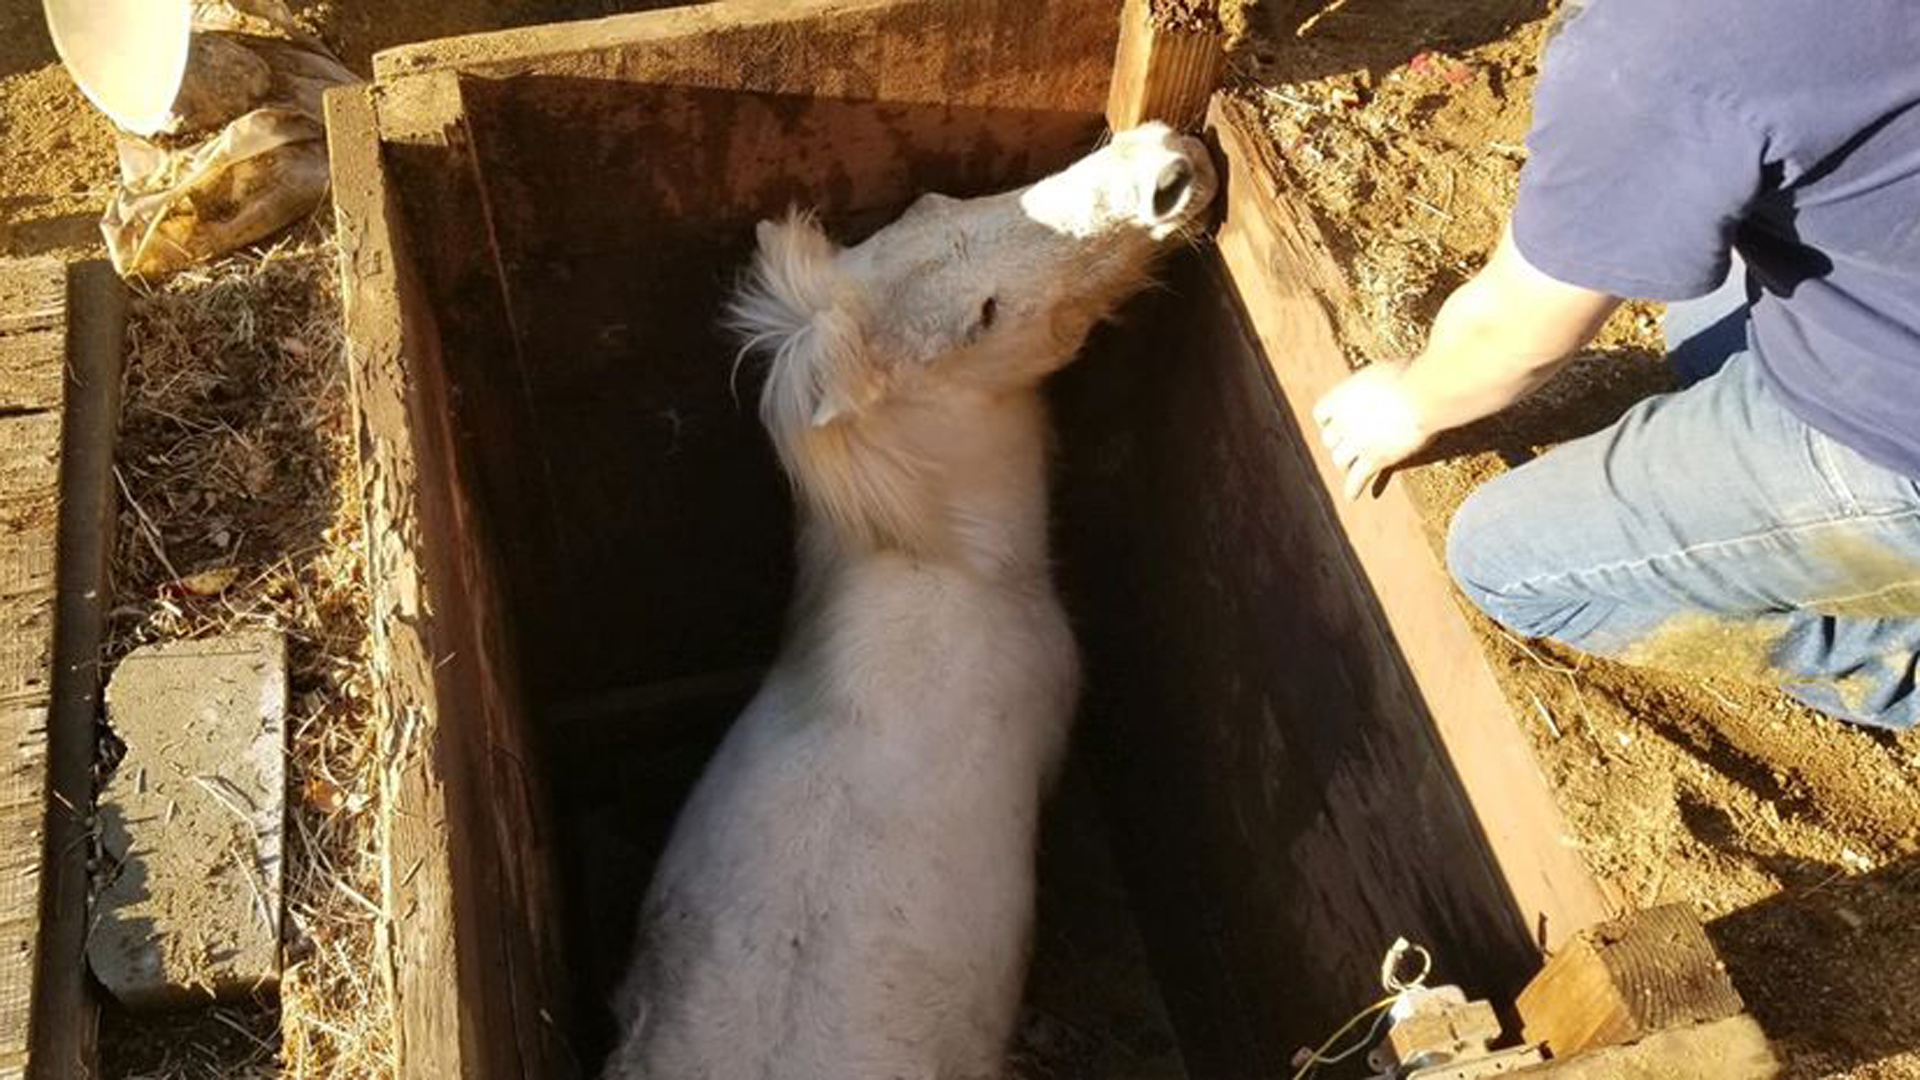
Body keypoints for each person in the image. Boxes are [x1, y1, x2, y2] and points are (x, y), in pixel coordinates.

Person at [1311, 0, 1920, 729]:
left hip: (1897, 442)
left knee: (1505, 562)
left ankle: (1892, 661)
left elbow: (1513, 334)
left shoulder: (1666, 47)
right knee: (1701, 323)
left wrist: (1406, 404)